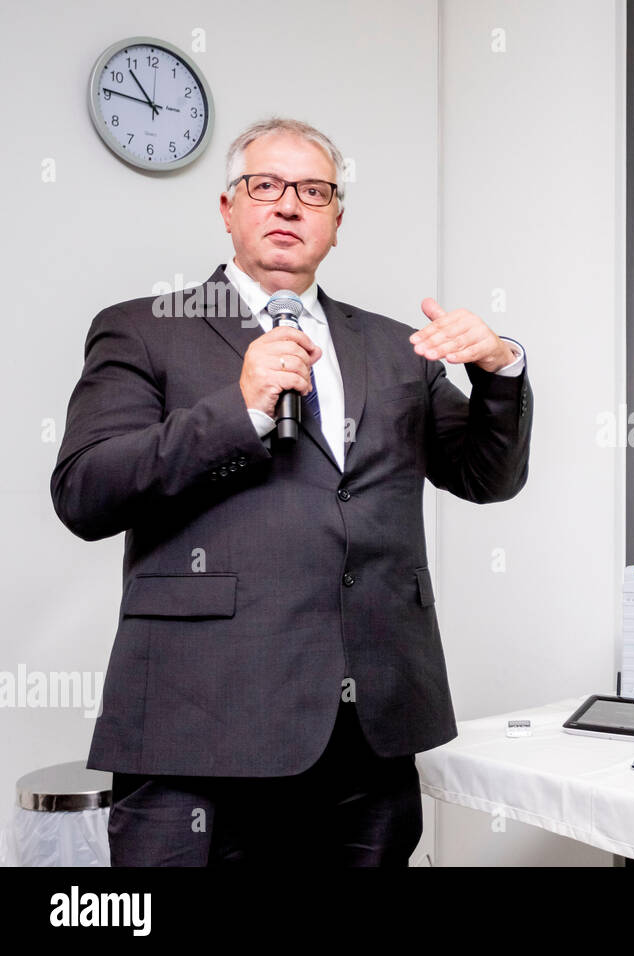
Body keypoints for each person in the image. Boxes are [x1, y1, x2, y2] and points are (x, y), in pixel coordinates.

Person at [49, 117, 533, 866]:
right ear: (228, 208)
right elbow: (85, 492)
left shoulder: (396, 349)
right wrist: (235, 410)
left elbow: (486, 477)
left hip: (367, 738)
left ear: (336, 221)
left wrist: (499, 370)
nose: (287, 205)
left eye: (313, 191)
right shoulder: (142, 330)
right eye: (264, 185)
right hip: (195, 734)